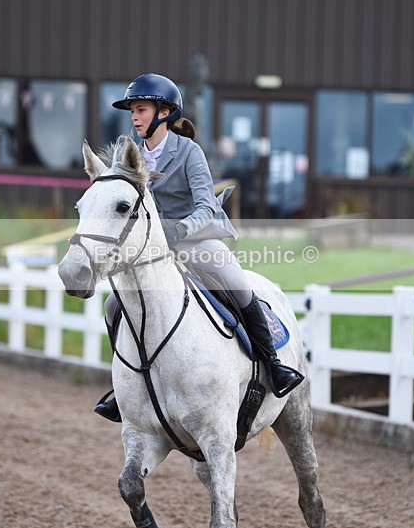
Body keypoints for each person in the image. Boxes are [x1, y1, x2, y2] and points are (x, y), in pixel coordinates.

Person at [95, 74, 304, 422]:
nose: (135, 117)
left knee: (236, 284)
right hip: (150, 250)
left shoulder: (189, 152)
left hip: (194, 239)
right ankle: (126, 386)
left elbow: (206, 207)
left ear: (164, 112)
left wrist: (178, 231)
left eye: (142, 109)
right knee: (114, 304)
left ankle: (274, 366)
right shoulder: (128, 155)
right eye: (132, 110)